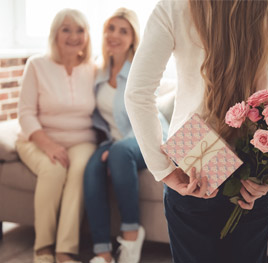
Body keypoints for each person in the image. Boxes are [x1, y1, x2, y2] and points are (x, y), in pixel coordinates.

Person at [125, 0, 268, 262]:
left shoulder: (174, 8)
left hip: (193, 164)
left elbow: (137, 94)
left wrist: (164, 171)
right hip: (255, 170)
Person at [83, 8, 168, 263]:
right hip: (115, 142)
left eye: (124, 30)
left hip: (147, 137)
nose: (115, 35)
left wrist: (118, 146)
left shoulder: (138, 71)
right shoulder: (97, 72)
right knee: (91, 167)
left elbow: (144, 114)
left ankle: (131, 233)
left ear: (133, 38)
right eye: (111, 28)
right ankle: (103, 252)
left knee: (118, 153)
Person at [16, 8, 96, 263]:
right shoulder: (37, 65)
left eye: (80, 30)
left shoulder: (93, 69)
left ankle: (65, 250)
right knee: (53, 170)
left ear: (87, 36)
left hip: (82, 140)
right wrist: (48, 145)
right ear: (55, 34)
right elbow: (25, 113)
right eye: (66, 29)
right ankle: (43, 248)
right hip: (37, 138)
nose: (74, 36)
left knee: (78, 170)